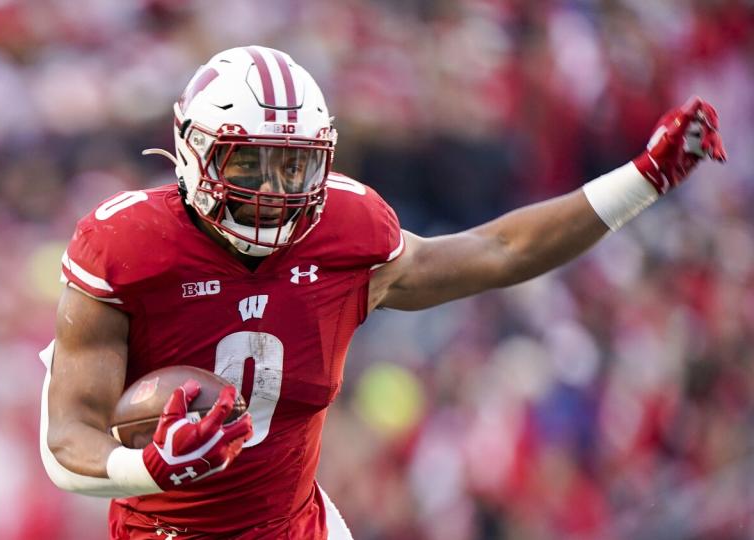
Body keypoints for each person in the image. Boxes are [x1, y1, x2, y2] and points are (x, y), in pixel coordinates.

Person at [38, 46, 726, 539]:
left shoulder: (347, 230)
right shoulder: (125, 247)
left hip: (297, 525)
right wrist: (148, 467)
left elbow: (498, 250)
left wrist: (641, 181)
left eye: (294, 163)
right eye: (247, 159)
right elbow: (66, 440)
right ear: (193, 149)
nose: (273, 189)